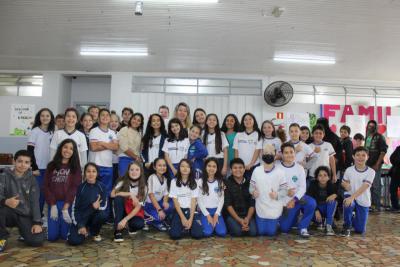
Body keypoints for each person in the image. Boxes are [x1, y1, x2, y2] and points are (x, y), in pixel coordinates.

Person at [0, 150, 44, 252]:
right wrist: (5, 201)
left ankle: (23, 232)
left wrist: (37, 222)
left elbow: (35, 202)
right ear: (13, 161)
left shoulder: (33, 180)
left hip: (24, 215)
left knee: (37, 240)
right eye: (20, 161)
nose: (22, 165)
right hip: (8, 213)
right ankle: (1, 238)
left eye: (26, 162)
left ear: (30, 164)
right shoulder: (3, 176)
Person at [43, 139, 82, 241]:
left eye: (71, 148)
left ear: (74, 152)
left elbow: (75, 187)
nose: (67, 150)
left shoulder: (76, 168)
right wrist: (52, 204)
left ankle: (70, 226)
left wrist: (66, 206)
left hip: (66, 204)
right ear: (60, 148)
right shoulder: (51, 165)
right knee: (52, 237)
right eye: (65, 147)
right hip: (53, 203)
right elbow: (46, 186)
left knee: (65, 236)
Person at [277, 142, 316, 238]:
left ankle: (303, 227)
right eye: (286, 153)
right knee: (284, 229)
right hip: (284, 202)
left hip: (297, 200)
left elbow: (303, 188)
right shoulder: (277, 168)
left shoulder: (300, 168)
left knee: (311, 203)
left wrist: (294, 200)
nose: (289, 155)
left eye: (291, 152)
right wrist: (286, 195)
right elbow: (274, 188)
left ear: (295, 153)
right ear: (281, 154)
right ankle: (293, 219)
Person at [250, 144, 287, 237]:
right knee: (261, 232)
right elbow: (251, 187)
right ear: (262, 154)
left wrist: (277, 195)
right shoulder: (257, 170)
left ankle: (277, 223)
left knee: (271, 233)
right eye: (266, 152)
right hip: (261, 207)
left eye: (271, 153)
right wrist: (253, 192)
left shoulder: (280, 172)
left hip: (274, 207)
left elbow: (285, 190)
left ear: (275, 155)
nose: (268, 154)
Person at [68, 163, 108, 245]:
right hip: (82, 218)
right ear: (84, 173)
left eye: (94, 171)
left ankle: (94, 232)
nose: (91, 174)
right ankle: (84, 230)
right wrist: (80, 225)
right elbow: (75, 209)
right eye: (88, 171)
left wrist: (95, 208)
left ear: (97, 173)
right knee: (74, 241)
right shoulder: (80, 188)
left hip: (94, 217)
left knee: (102, 215)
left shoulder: (102, 187)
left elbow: (103, 207)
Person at [341, 146, 375, 237]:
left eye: (363, 155)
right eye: (358, 155)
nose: (360, 157)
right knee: (348, 203)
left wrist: (352, 197)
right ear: (353, 156)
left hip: (363, 199)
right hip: (349, 195)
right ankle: (347, 225)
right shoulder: (349, 170)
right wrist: (345, 185)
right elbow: (343, 183)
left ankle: (353, 217)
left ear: (367, 157)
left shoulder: (371, 172)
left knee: (360, 230)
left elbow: (365, 187)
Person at [27, 108, 55, 216]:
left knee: (45, 193)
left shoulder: (52, 132)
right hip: (38, 169)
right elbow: (29, 151)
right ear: (39, 118)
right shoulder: (34, 131)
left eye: (47, 116)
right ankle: (34, 216)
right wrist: (34, 167)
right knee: (36, 194)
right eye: (42, 116)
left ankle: (39, 215)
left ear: (51, 118)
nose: (45, 118)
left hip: (49, 169)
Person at [111, 162, 147, 242]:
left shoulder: (144, 186)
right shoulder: (122, 181)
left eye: (137, 170)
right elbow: (112, 194)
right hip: (122, 210)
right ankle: (117, 231)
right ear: (128, 171)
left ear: (141, 172)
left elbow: (138, 207)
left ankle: (128, 226)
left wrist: (125, 220)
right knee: (118, 198)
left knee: (139, 224)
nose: (134, 172)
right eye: (132, 170)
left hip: (133, 212)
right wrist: (130, 194)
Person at [169, 159, 203, 240]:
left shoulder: (194, 182)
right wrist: (182, 218)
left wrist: (190, 219)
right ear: (179, 168)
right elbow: (175, 201)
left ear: (191, 169)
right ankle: (180, 225)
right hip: (179, 211)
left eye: (188, 167)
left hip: (190, 210)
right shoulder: (174, 181)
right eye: (182, 166)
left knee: (198, 235)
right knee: (174, 235)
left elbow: (193, 201)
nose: (185, 168)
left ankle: (188, 226)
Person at [89, 108, 119, 196]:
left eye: (107, 115)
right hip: (95, 166)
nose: (105, 117)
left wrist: (102, 143)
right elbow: (93, 147)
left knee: (106, 191)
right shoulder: (94, 131)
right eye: (102, 115)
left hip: (108, 166)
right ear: (98, 118)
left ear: (109, 118)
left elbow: (116, 147)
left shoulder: (112, 133)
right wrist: (109, 145)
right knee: (94, 191)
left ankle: (104, 210)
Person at [224, 158, 257, 237]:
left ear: (244, 169)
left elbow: (252, 204)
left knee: (253, 233)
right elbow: (228, 205)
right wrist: (239, 220)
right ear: (231, 170)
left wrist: (247, 219)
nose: (238, 170)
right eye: (235, 168)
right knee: (238, 232)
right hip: (233, 216)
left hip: (247, 215)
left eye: (240, 167)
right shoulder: (227, 183)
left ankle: (244, 225)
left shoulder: (250, 183)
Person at [197, 158, 227, 237]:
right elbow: (199, 200)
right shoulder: (200, 181)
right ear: (205, 167)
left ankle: (214, 226)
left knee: (222, 232)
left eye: (214, 166)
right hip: (205, 211)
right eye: (209, 166)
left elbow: (221, 199)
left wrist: (217, 214)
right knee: (207, 233)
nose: (211, 168)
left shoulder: (220, 182)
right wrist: (207, 215)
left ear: (217, 169)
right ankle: (207, 224)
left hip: (216, 210)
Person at [144, 158, 174, 231]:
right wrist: (160, 210)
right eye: (159, 165)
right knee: (158, 217)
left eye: (164, 165)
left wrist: (165, 202)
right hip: (149, 205)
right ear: (154, 167)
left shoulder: (165, 179)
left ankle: (161, 219)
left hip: (159, 203)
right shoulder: (151, 178)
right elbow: (151, 196)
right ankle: (146, 218)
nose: (162, 167)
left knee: (171, 205)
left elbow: (166, 194)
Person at [307, 166, 338, 236]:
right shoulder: (313, 184)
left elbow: (340, 198)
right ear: (317, 177)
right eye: (320, 175)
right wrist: (316, 210)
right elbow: (309, 198)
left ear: (329, 177)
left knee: (333, 201)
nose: (323, 178)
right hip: (316, 208)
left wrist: (336, 195)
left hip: (326, 209)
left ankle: (328, 225)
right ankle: (320, 222)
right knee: (308, 204)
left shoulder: (331, 185)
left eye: (325, 175)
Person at [365, 120, 388, 212]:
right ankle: (370, 205)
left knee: (376, 185)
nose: (371, 127)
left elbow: (383, 151)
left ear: (376, 127)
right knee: (368, 185)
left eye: (372, 126)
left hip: (375, 165)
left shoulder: (380, 137)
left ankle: (377, 206)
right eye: (369, 125)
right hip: (367, 164)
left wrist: (377, 164)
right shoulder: (367, 137)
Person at [233, 113, 262, 179]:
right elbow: (236, 150)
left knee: (253, 186)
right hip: (240, 167)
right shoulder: (238, 134)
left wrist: (251, 164)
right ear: (243, 122)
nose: (248, 121)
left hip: (254, 165)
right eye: (245, 120)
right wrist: (238, 164)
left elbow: (257, 151)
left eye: (250, 119)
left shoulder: (258, 134)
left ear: (254, 121)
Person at [389, 145, 400, 212]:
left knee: (393, 190)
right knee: (393, 190)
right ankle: (395, 206)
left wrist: (396, 163)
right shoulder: (398, 148)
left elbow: (392, 158)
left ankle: (395, 207)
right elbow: (392, 158)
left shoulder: (398, 148)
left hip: (396, 172)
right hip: (396, 172)